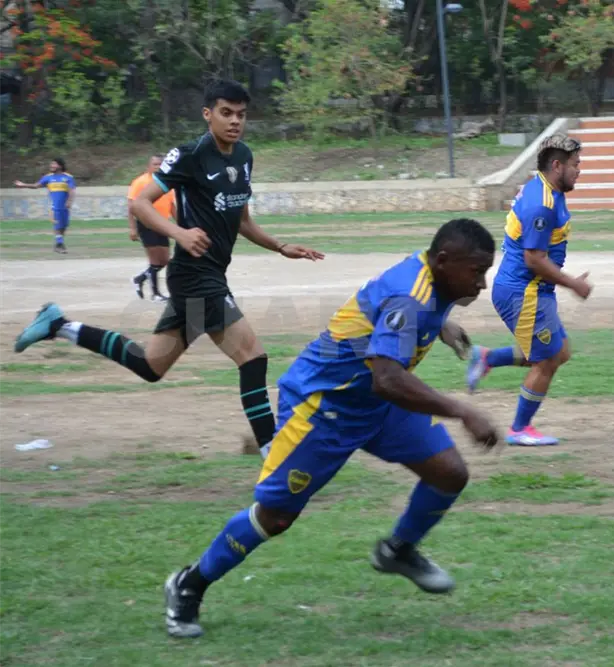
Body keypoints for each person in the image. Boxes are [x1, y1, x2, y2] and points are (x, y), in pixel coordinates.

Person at [162, 218, 501, 639]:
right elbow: (389, 378)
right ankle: (189, 583)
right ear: (445, 260)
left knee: (449, 472)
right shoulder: (410, 297)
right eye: (477, 272)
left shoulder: (429, 274)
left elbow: (385, 315)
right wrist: (463, 411)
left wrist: (441, 325)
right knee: (275, 518)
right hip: (324, 406)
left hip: (376, 404)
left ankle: (398, 550)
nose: (482, 284)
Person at [12, 79, 323, 459]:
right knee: (253, 357)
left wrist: (281, 246)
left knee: (150, 365)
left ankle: (59, 325)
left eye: (241, 115)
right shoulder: (190, 155)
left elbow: (242, 220)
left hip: (208, 276)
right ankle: (272, 453)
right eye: (226, 113)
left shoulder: (244, 157)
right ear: (208, 114)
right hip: (195, 276)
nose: (235, 121)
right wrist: (180, 233)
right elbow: (141, 203)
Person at [462, 135, 592, 447]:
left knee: (559, 351)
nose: (580, 171)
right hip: (524, 291)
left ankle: (488, 357)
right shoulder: (542, 205)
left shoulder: (543, 188)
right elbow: (534, 259)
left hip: (530, 289)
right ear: (556, 165)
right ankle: (519, 429)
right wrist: (574, 283)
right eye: (575, 165)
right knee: (547, 360)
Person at [127, 155, 177, 301]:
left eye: (160, 164)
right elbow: (131, 206)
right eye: (155, 164)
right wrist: (132, 228)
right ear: (148, 166)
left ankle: (140, 279)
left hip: (162, 224)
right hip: (146, 223)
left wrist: (183, 225)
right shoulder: (140, 182)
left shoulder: (166, 183)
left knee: (165, 260)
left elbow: (172, 206)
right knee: (155, 261)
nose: (157, 166)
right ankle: (155, 294)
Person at [12, 157, 76, 254]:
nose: (51, 166)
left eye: (54, 164)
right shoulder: (48, 177)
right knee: (57, 224)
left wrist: (69, 202)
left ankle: (58, 243)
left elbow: (72, 191)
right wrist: (23, 185)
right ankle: (60, 244)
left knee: (64, 226)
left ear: (60, 165)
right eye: (51, 164)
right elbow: (36, 185)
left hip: (65, 207)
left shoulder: (68, 177)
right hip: (54, 206)